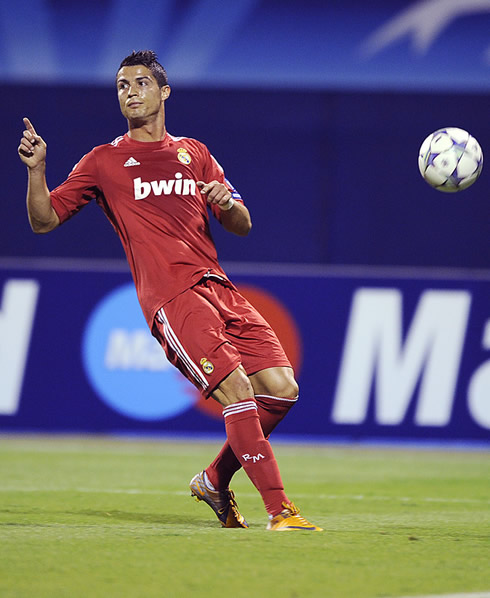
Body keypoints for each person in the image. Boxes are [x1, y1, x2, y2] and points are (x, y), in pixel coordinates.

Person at [18, 50, 322, 532]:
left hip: (219, 288)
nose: (130, 91)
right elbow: (44, 220)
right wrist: (37, 171)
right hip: (171, 298)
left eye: (140, 82)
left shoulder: (195, 153)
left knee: (283, 390)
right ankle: (280, 511)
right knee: (238, 391)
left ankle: (213, 480)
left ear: (163, 92)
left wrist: (226, 203)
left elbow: (241, 223)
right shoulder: (103, 161)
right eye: (121, 85)